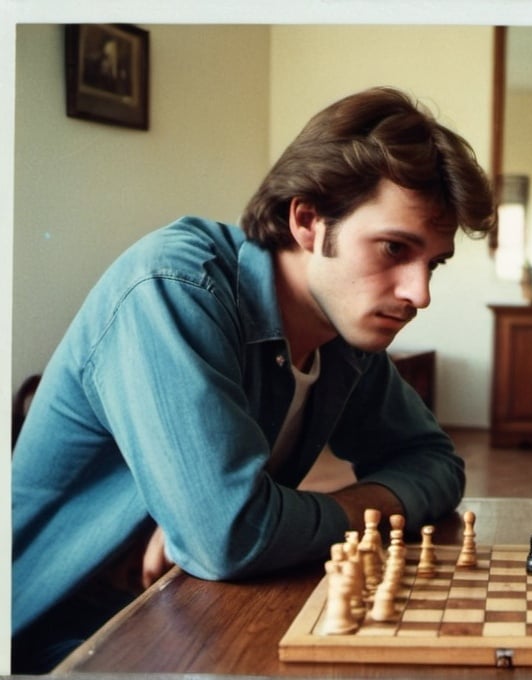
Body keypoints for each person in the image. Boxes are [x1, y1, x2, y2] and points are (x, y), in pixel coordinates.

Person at [12, 86, 495, 672]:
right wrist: (238, 526)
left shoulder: (342, 336)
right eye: (394, 248)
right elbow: (232, 538)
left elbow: (436, 463)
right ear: (308, 220)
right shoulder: (174, 287)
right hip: (54, 638)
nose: (419, 293)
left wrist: (266, 521)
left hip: (187, 607)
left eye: (432, 264)